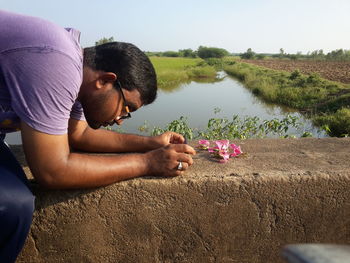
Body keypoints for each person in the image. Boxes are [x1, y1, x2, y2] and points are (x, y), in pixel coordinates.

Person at [0, 9, 196, 263]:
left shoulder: (80, 76)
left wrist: (151, 144)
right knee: (13, 204)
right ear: (105, 80)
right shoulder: (56, 61)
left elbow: (79, 135)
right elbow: (52, 170)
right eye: (126, 108)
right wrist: (148, 163)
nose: (119, 119)